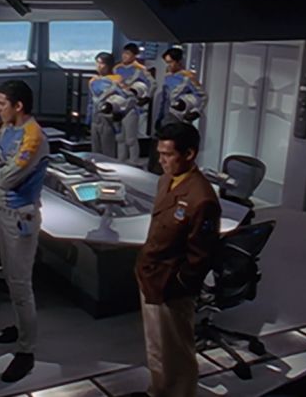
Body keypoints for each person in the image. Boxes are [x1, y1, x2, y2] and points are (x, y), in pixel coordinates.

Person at [135, 123, 221, 397]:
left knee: (177, 353)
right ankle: (158, 391)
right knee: (157, 348)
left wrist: (179, 284)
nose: (161, 160)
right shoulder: (166, 180)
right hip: (152, 277)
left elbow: (201, 255)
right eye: (159, 153)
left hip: (171, 285)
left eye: (168, 154)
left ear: (189, 154)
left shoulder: (201, 198)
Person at [0, 80, 49, 383]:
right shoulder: (7, 129)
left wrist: (0, 171)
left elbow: (6, 179)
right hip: (2, 211)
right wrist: (0, 171)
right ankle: (21, 329)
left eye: (2, 104)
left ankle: (26, 350)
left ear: (18, 105)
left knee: (21, 285)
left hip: (21, 216)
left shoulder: (33, 137)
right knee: (11, 279)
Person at [114, 43, 155, 165]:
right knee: (120, 137)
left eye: (128, 54)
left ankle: (133, 161)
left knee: (130, 138)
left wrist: (146, 97)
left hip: (132, 106)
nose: (124, 56)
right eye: (124, 53)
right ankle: (120, 161)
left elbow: (153, 84)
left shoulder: (140, 69)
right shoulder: (116, 69)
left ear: (134, 55)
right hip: (118, 104)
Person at [87, 52, 132, 158]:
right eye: (97, 63)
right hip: (95, 118)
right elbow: (90, 102)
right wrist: (88, 120)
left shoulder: (116, 79)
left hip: (108, 118)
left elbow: (126, 97)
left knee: (108, 151)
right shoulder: (93, 80)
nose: (99, 66)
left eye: (102, 63)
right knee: (95, 151)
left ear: (109, 65)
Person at [155, 47, 207, 129]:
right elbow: (165, 99)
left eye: (170, 62)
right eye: (167, 62)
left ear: (178, 61)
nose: (168, 65)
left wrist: (196, 112)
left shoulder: (188, 77)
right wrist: (159, 117)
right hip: (168, 115)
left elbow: (202, 96)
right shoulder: (168, 77)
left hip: (182, 116)